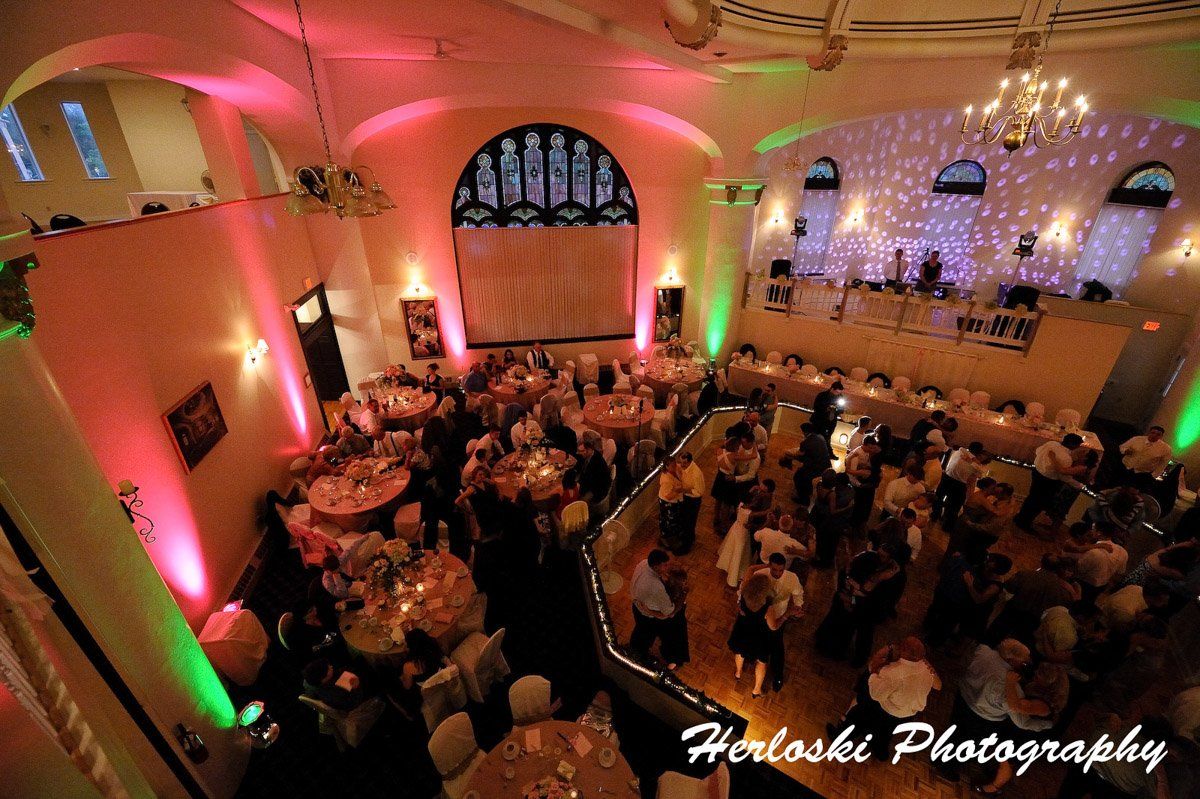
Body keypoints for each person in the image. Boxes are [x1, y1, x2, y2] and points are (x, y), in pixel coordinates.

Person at [934, 639, 1033, 782]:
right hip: (983, 718)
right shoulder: (1009, 683)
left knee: (955, 732)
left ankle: (939, 756)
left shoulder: (982, 651)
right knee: (967, 743)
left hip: (963, 699)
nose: (1023, 664)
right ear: (1012, 660)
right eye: (1022, 662)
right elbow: (1016, 713)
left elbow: (964, 665)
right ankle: (946, 767)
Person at [829, 637, 941, 760]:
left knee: (859, 717)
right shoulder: (927, 670)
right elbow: (938, 686)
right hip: (907, 715)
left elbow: (876, 694)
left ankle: (839, 740)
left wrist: (874, 669)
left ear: (903, 649)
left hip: (885, 710)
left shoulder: (895, 673)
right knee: (885, 732)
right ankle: (880, 751)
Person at [815, 546, 898, 665]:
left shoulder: (864, 561)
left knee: (836, 624)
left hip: (846, 601)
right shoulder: (867, 569)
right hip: (849, 604)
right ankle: (832, 650)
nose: (880, 557)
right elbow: (860, 593)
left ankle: (826, 645)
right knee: (842, 628)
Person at [924, 552, 1013, 647]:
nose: (988, 561)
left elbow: (979, 599)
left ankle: (941, 644)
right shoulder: (984, 567)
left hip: (977, 609)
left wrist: (969, 584)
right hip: (965, 601)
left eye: (993, 561)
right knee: (948, 618)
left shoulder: (995, 585)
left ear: (996, 567)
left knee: (964, 629)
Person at [988, 555, 1080, 643]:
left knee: (994, 636)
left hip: (1013, 611)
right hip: (1034, 622)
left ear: (1041, 562)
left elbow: (1008, 588)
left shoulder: (1025, 574)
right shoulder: (1062, 589)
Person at [1013, 434, 1087, 532]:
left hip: (1036, 473)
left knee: (1031, 498)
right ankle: (1024, 523)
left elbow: (1038, 451)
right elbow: (1063, 476)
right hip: (1048, 481)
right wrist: (1078, 485)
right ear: (1073, 445)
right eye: (1078, 445)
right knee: (1038, 503)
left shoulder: (1051, 443)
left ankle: (1020, 517)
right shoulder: (1066, 458)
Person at [753, 552, 804, 691]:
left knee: (777, 647)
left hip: (780, 616)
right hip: (761, 616)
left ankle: (778, 675)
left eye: (781, 570)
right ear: (769, 565)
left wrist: (798, 606)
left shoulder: (792, 578)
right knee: (759, 640)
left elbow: (798, 593)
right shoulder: (760, 575)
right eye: (774, 569)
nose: (778, 573)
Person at [727, 570, 782, 698]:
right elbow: (773, 627)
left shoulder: (743, 595)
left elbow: (750, 569)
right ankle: (756, 689)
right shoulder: (768, 607)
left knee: (740, 651)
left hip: (743, 630)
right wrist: (785, 616)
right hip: (760, 636)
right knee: (762, 662)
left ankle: (738, 673)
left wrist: (765, 565)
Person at [629, 549, 675, 662]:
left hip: (636, 607)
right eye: (665, 565)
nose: (668, 567)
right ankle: (641, 656)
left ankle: (633, 647)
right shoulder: (656, 587)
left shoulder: (643, 563)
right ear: (656, 567)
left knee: (638, 630)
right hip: (647, 618)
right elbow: (668, 611)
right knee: (646, 636)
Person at [932, 441, 986, 532]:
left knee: (939, 497)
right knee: (954, 506)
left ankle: (935, 515)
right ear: (978, 452)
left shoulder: (958, 451)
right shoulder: (975, 463)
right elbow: (980, 474)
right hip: (959, 484)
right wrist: (972, 462)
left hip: (946, 478)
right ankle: (947, 526)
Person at [786, 422, 832, 507]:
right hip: (827, 466)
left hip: (816, 468)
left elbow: (799, 454)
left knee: (797, 476)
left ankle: (803, 499)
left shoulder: (806, 442)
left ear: (805, 432)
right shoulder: (820, 437)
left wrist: (790, 454)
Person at [845, 435, 883, 534]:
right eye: (870, 447)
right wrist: (859, 484)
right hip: (857, 485)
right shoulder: (856, 455)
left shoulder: (866, 452)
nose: (872, 450)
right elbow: (850, 474)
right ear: (864, 445)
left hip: (863, 483)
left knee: (865, 505)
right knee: (858, 506)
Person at [1119, 425, 1172, 490]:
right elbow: (1122, 447)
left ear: (1161, 436)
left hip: (1143, 474)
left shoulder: (1166, 448)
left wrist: (1153, 476)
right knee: (1118, 486)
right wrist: (1125, 451)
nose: (1154, 435)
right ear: (1149, 432)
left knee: (1133, 491)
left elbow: (1163, 464)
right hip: (1125, 467)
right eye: (1153, 433)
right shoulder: (1136, 439)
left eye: (1158, 434)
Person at [678, 451, 704, 554]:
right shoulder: (686, 468)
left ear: (690, 461)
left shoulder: (696, 473)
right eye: (681, 463)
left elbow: (699, 492)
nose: (682, 465)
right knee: (686, 521)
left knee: (689, 522)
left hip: (693, 500)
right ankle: (690, 537)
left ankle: (686, 547)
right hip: (687, 498)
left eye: (684, 463)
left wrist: (684, 490)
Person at [658, 454, 686, 552]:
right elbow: (668, 495)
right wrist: (680, 489)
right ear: (666, 466)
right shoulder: (666, 480)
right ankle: (665, 538)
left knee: (674, 519)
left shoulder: (675, 469)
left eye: (675, 464)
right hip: (667, 502)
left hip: (675, 500)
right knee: (667, 520)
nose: (675, 466)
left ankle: (674, 535)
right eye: (672, 465)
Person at [575, 439, 611, 513]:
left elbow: (593, 482)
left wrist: (579, 487)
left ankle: (584, 517)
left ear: (589, 450)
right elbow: (580, 469)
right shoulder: (587, 456)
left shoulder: (597, 462)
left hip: (597, 489)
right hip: (589, 483)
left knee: (579, 503)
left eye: (581, 451)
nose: (579, 453)